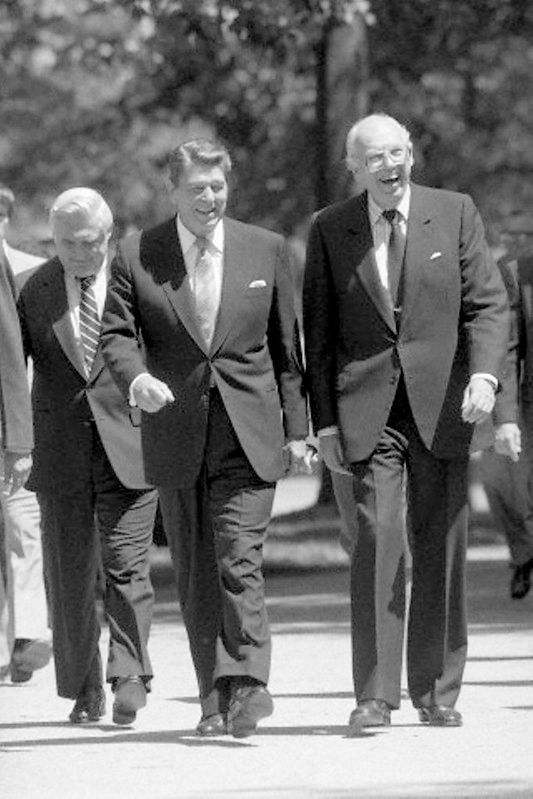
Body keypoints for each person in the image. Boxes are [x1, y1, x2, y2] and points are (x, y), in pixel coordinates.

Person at [303, 113, 509, 732]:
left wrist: (485, 377)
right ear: (354, 168)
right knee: (376, 539)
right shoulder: (331, 228)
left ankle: (437, 690)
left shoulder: (455, 211)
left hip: (444, 404)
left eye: (396, 153)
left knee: (441, 545)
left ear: (412, 155)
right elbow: (318, 331)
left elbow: (488, 305)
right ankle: (374, 694)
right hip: (366, 410)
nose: (388, 166)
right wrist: (324, 425)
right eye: (374, 158)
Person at [101, 138, 311, 738]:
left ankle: (249, 682)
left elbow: (286, 352)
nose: (210, 198)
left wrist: (299, 434)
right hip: (176, 433)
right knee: (196, 574)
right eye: (198, 188)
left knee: (238, 560)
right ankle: (213, 700)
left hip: (249, 433)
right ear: (175, 190)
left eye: (218, 186)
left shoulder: (267, 250)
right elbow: (116, 334)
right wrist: (136, 378)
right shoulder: (138, 253)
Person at [17, 188, 158, 725]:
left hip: (130, 444)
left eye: (88, 243)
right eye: (65, 244)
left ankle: (128, 675)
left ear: (109, 234)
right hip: (60, 453)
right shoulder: (33, 290)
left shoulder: (135, 281)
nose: (77, 254)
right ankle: (84, 687)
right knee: (70, 578)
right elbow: (12, 370)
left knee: (128, 568)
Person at [0, 185, 52, 684]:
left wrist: (24, 434)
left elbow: (20, 362)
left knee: (23, 529)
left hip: (16, 426)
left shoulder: (30, 273)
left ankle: (30, 633)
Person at [476, 213, 533, 599]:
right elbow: (506, 350)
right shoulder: (511, 271)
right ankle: (522, 552)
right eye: (509, 234)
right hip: (526, 400)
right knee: (497, 479)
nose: (515, 242)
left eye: (522, 235)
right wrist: (505, 416)